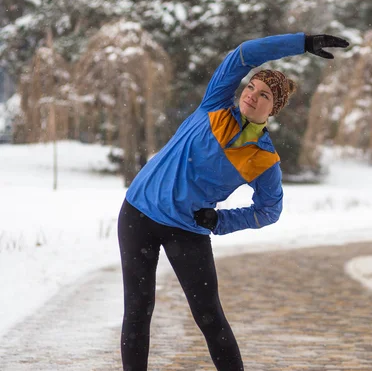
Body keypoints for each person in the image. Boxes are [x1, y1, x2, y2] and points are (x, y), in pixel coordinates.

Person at [117, 32, 349, 371]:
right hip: (138, 214)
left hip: (186, 228)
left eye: (265, 95)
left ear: (274, 108)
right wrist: (302, 42)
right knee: (138, 309)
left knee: (209, 317)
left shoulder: (263, 158)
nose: (253, 96)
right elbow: (244, 53)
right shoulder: (215, 105)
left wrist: (221, 221)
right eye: (251, 87)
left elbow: (269, 211)